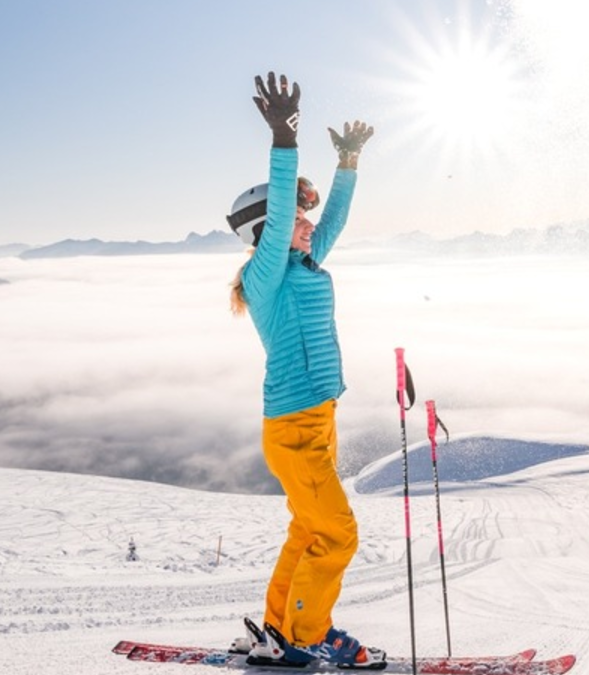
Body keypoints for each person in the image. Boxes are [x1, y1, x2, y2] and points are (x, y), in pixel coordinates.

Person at [225, 71, 380, 669]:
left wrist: (348, 163)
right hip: (294, 426)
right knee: (338, 533)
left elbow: (332, 220)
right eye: (296, 218)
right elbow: (287, 203)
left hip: (317, 417)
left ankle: (275, 629)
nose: (310, 225)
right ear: (266, 231)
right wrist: (284, 140)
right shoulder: (265, 275)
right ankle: (309, 634)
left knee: (306, 532)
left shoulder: (304, 262)